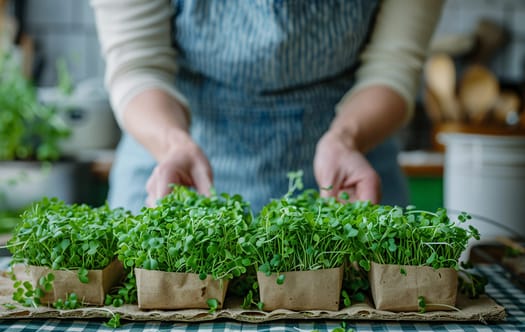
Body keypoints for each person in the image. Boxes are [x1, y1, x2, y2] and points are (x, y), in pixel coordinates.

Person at [91, 0, 444, 213]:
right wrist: (172, 144)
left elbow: (394, 66)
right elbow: (138, 67)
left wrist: (347, 138)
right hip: (175, 166)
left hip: (346, 171)